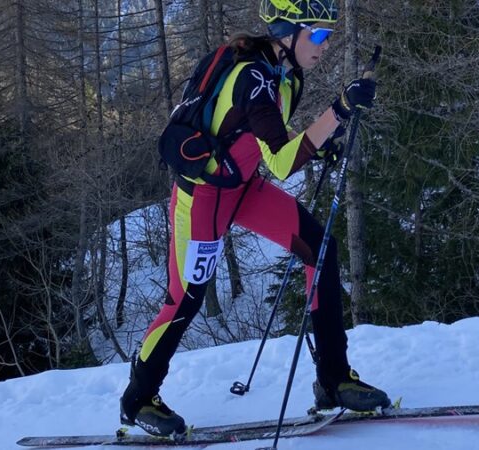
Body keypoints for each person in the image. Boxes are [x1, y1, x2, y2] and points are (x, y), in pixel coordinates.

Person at [119, 0, 391, 437]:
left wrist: (319, 143)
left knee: (320, 249)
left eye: (329, 34)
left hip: (242, 187)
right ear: (288, 32)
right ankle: (138, 398)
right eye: (319, 34)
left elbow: (268, 141)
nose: (326, 44)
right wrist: (338, 110)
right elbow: (282, 162)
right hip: (204, 196)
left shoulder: (286, 75)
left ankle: (333, 379)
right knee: (186, 297)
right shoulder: (254, 78)